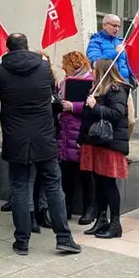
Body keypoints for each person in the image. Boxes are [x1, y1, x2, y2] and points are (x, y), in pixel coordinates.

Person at [0, 33, 81, 256]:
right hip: (44, 136)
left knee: (20, 188)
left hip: (15, 138)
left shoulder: (0, 71)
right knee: (53, 186)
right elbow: (52, 95)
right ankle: (64, 238)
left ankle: (22, 241)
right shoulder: (43, 68)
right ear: (26, 46)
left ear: (8, 48)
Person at [78, 60, 131, 238]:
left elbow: (117, 114)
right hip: (95, 141)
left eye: (93, 68)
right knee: (99, 183)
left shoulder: (116, 89)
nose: (91, 71)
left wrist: (96, 106)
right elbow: (86, 117)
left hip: (109, 142)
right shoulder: (96, 88)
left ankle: (115, 224)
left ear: (101, 70)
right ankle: (101, 220)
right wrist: (81, 138)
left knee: (108, 184)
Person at [57, 51, 95, 225]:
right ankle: (67, 207)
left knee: (85, 174)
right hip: (65, 132)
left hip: (80, 132)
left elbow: (94, 105)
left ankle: (89, 209)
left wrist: (73, 106)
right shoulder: (64, 82)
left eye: (66, 65)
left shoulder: (92, 81)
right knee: (66, 174)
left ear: (74, 65)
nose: (63, 68)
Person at [86, 14, 130, 81]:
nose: (117, 29)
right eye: (114, 26)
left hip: (125, 84)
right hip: (107, 84)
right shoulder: (95, 42)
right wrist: (115, 52)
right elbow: (95, 63)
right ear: (104, 25)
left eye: (118, 26)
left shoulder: (121, 42)